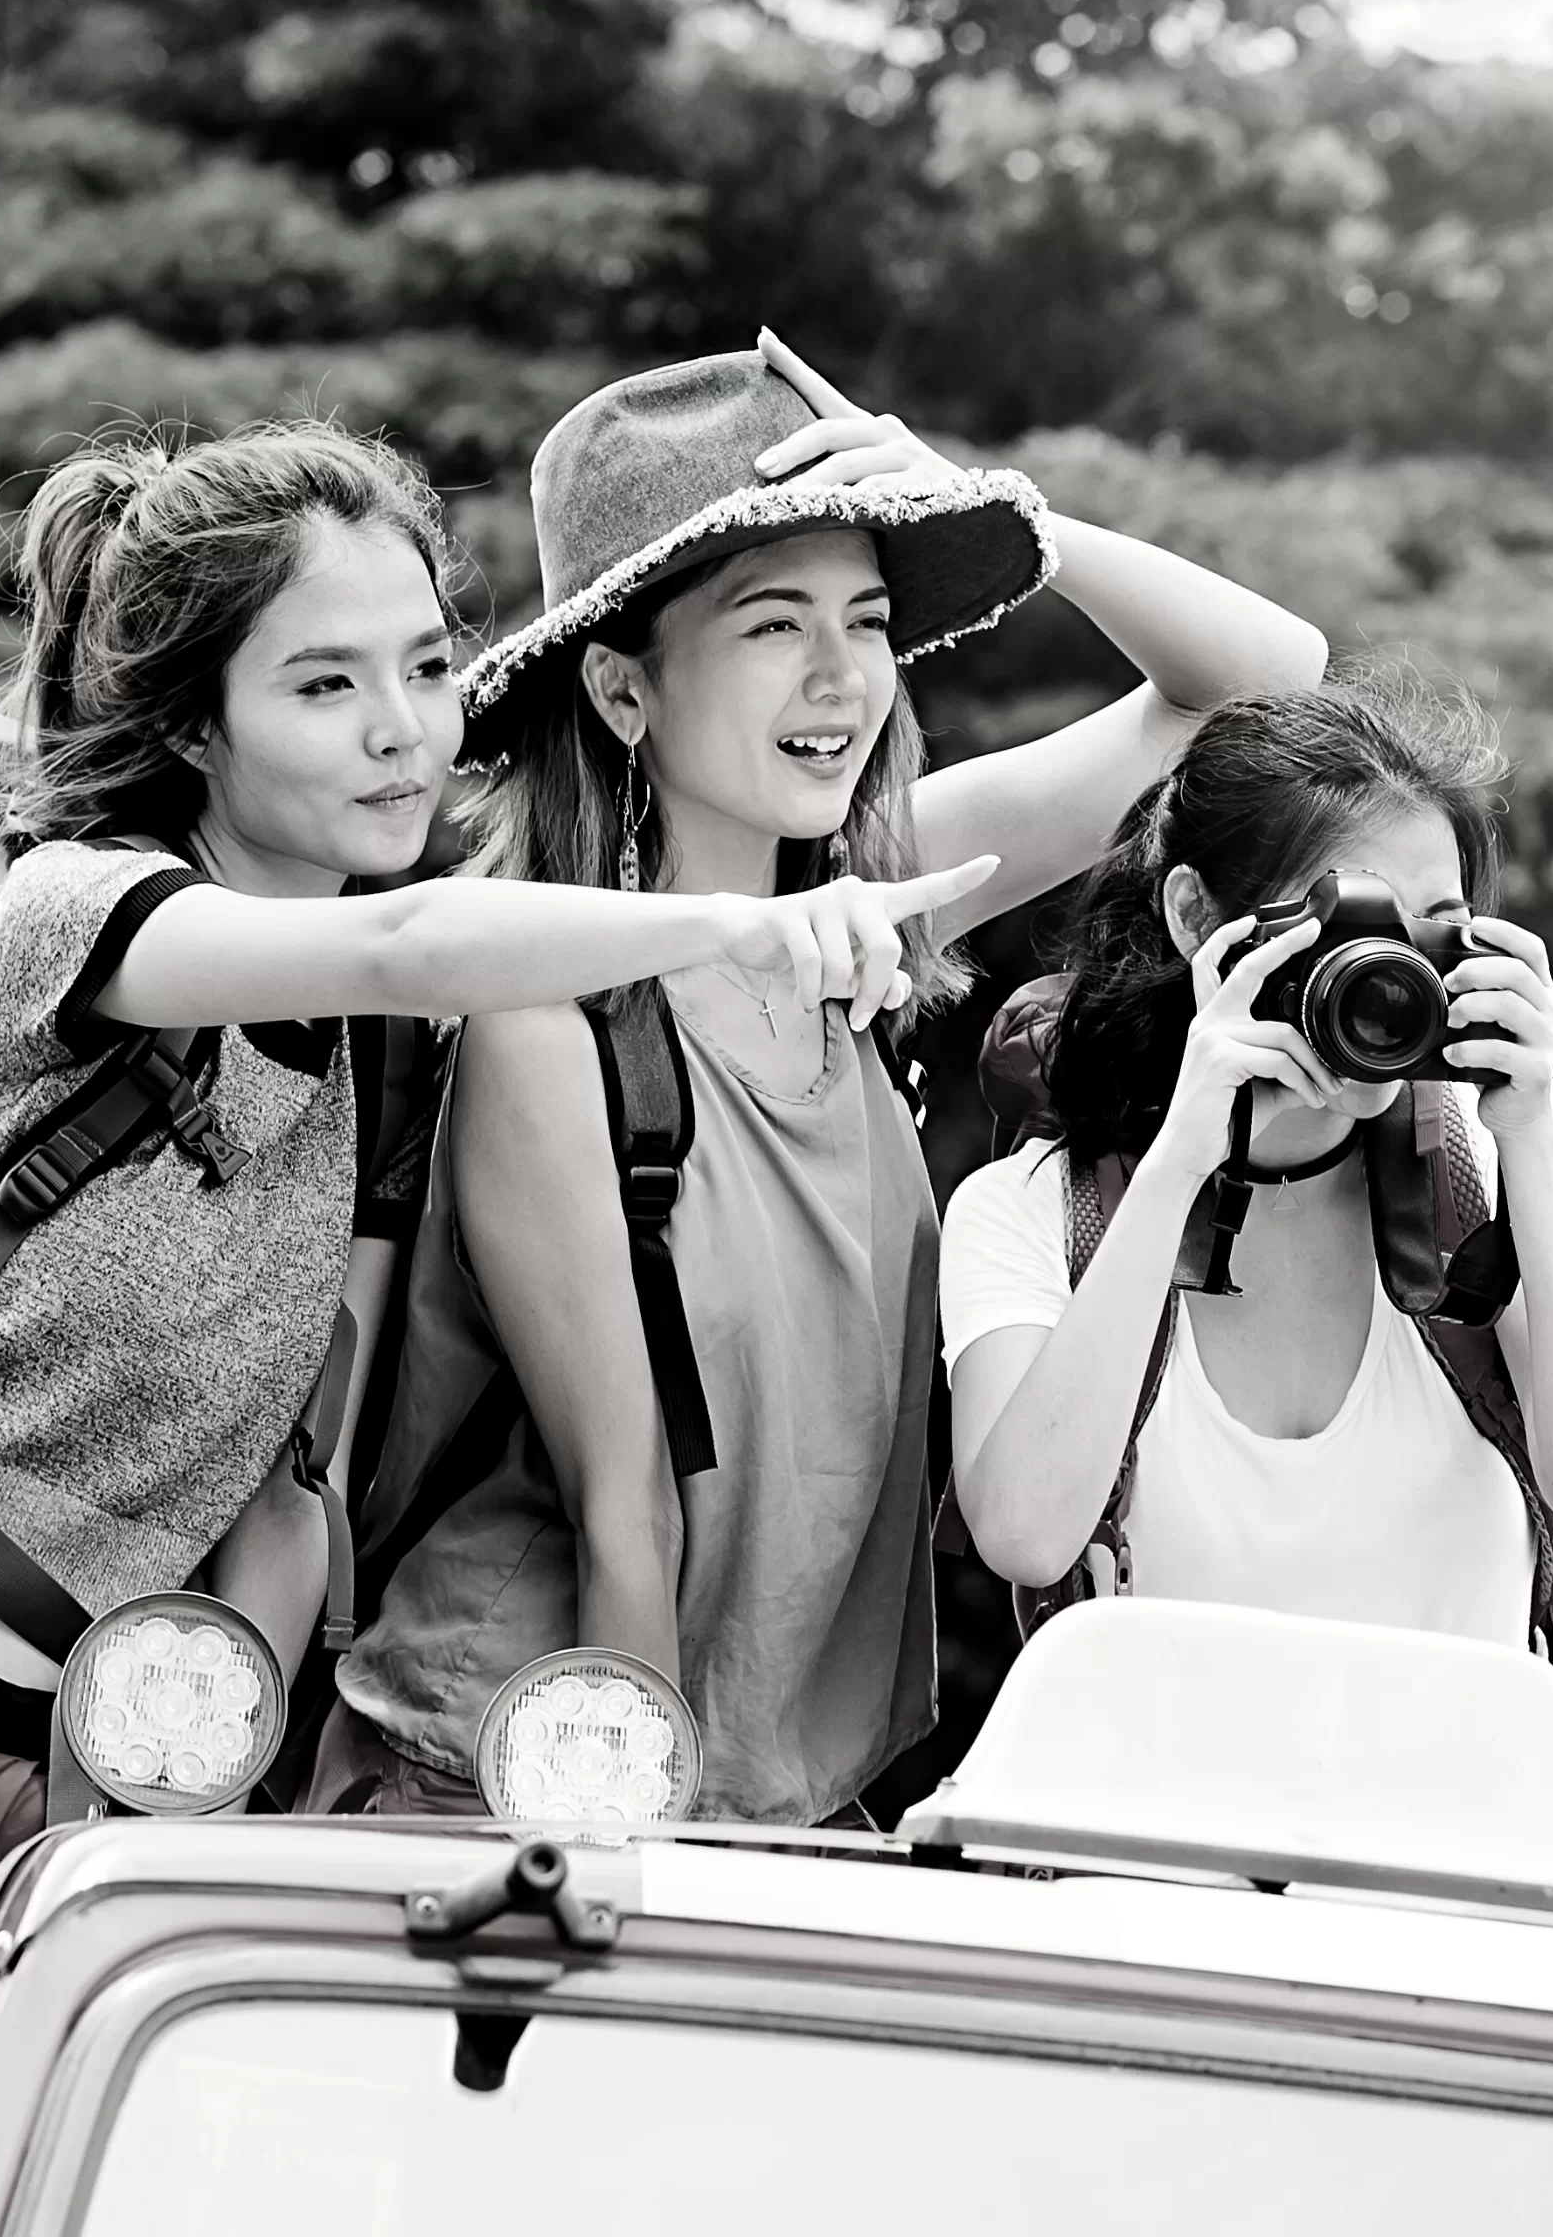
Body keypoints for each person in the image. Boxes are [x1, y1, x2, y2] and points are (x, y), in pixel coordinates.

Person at [0, 419, 988, 2147]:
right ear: (194, 724)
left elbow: (293, 1487)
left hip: (104, 1787)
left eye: (429, 667)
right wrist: (737, 928)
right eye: (326, 684)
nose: (403, 728)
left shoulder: (375, 1054)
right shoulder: (68, 912)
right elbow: (417, 936)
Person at [320, 334, 1331, 1824]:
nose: (842, 676)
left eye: (868, 618)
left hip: (774, 1803)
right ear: (619, 691)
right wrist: (640, 1869)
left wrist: (1001, 508)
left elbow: (1262, 688)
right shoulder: (551, 1012)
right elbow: (627, 1515)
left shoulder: (884, 906)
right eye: (774, 623)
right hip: (533, 1786)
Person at [937, 677, 1553, 1650]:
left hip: (1467, 1799)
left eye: (1429, 929)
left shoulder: (1499, 1163)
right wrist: (1177, 1164)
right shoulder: (1034, 1208)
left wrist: (1530, 1130)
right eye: (1343, 927)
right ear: (1196, 916)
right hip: (1155, 1803)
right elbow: (1026, 1536)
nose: (1391, 977)